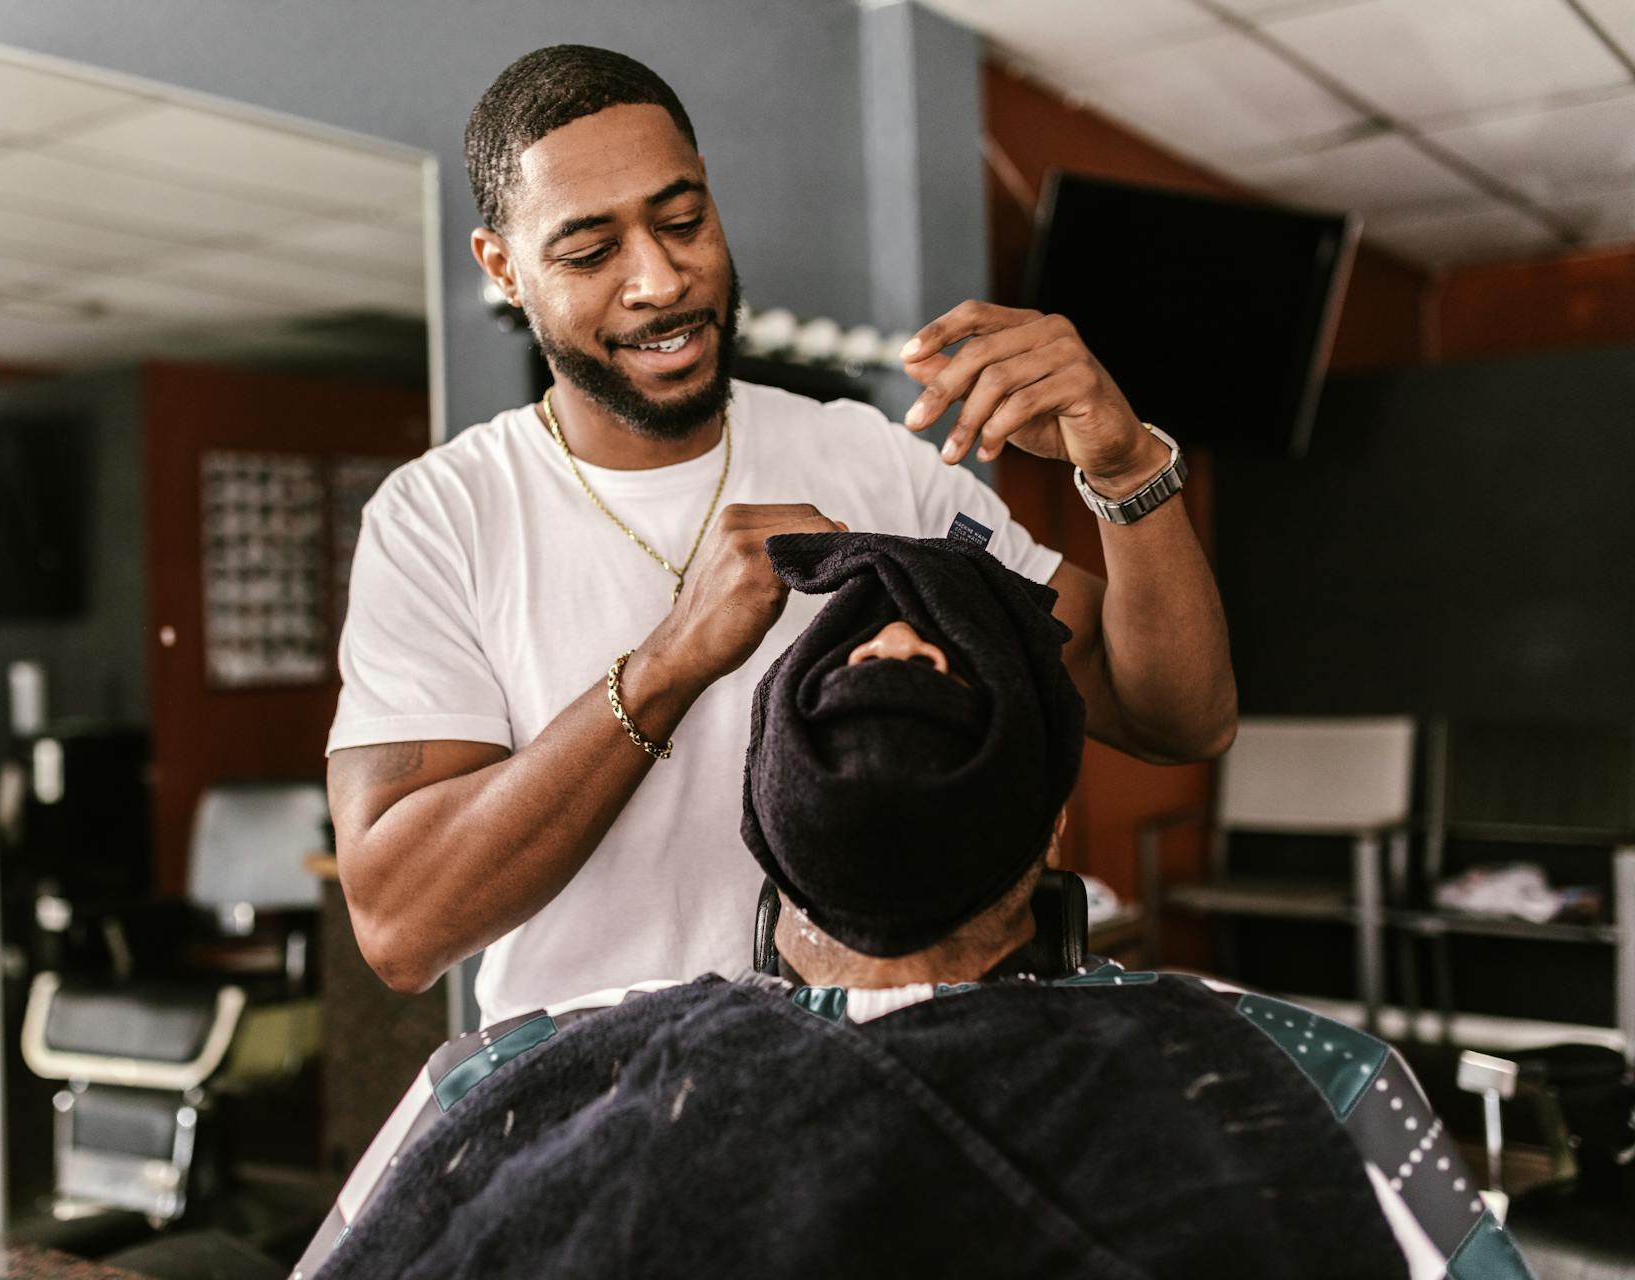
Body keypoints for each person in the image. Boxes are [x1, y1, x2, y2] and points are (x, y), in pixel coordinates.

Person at [296, 533, 1532, 1280]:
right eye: (855, 657)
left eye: (953, 669)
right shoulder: (505, 1081)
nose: (899, 649)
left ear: (1053, 822)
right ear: (765, 816)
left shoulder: (1312, 1082)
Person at [326, 43, 1237, 1026]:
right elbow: (401, 926)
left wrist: (1128, 468)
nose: (660, 279)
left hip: (877, 1072)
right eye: (590, 252)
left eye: (682, 220)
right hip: (603, 1107)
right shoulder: (441, 517)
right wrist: (668, 665)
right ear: (503, 266)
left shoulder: (870, 460)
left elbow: (1175, 715)